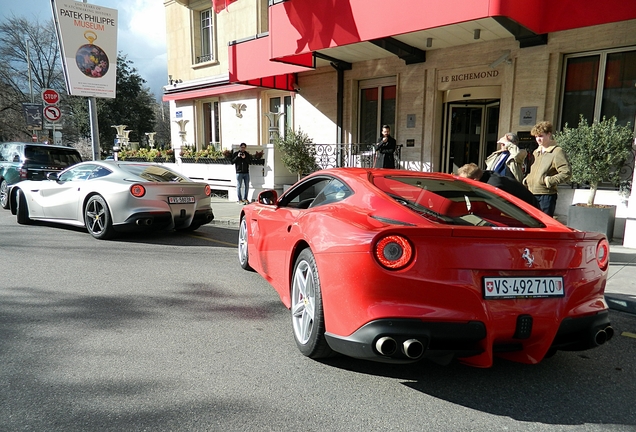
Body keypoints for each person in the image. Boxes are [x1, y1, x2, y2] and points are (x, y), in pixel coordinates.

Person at [523, 121, 571, 217]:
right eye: (536, 137)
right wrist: (527, 180)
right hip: (531, 193)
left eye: (540, 136)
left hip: (546, 195)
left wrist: (548, 181)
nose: (538, 139)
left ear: (549, 134)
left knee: (544, 224)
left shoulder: (557, 151)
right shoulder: (536, 152)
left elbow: (566, 173)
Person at [458, 163, 540, 208]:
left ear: (475, 180)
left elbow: (500, 208)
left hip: (529, 211)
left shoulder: (495, 185)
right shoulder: (483, 176)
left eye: (465, 181)